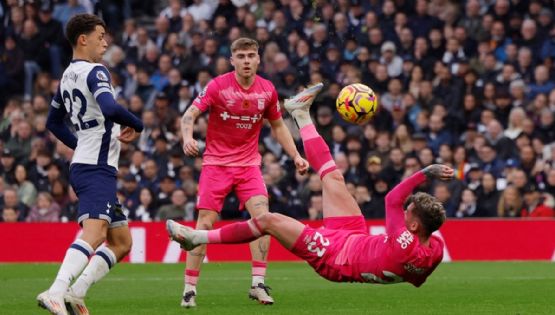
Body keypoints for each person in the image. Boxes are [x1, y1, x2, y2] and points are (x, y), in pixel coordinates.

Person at [168, 86, 452, 290]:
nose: (403, 214)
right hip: (355, 237)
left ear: (414, 227)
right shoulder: (435, 249)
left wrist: (425, 173)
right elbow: (417, 279)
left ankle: (197, 237)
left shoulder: (405, 244)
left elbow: (392, 199)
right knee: (332, 177)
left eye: (408, 213)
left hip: (334, 257)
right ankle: (300, 113)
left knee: (269, 220)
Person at [178, 37, 311, 307]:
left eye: (251, 55)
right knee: (205, 224)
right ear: (232, 60)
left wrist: (296, 154)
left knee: (263, 219)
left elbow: (278, 126)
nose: (247, 60)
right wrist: (187, 138)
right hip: (216, 164)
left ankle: (258, 284)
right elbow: (189, 115)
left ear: (259, 59)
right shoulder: (217, 86)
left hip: (249, 165)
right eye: (241, 56)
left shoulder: (267, 90)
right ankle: (189, 289)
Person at [38, 14, 144, 315]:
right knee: (95, 234)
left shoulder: (67, 76)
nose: (105, 42)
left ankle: (76, 292)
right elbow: (109, 107)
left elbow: (52, 123)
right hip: (95, 170)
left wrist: (81, 145)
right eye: (100, 36)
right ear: (83, 39)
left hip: (91, 165)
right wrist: (138, 124)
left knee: (122, 241)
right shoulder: (96, 71)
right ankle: (56, 291)